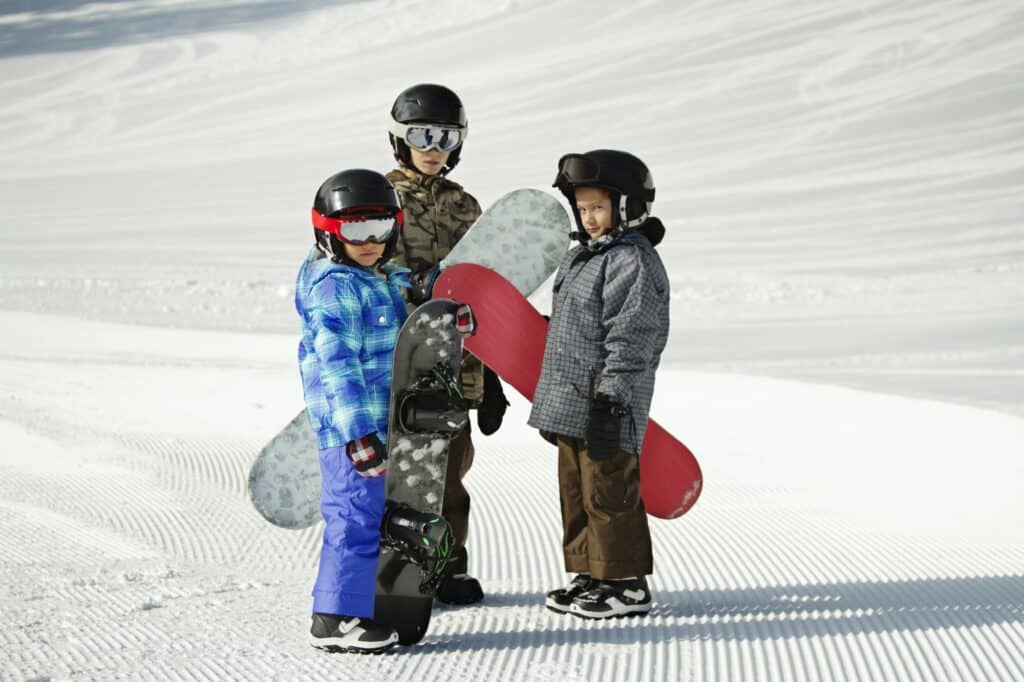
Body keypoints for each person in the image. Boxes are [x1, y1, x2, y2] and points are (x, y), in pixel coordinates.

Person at [528, 149, 670, 619]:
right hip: (572, 404)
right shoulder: (580, 259)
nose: (589, 218)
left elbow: (631, 338)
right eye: (583, 208)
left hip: (608, 403)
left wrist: (612, 401)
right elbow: (570, 329)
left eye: (599, 208)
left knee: (609, 493)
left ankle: (624, 582)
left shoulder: (632, 262)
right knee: (577, 492)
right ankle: (590, 572)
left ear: (626, 207)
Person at [385, 83, 508, 605]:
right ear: (400, 139)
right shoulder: (382, 197)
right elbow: (376, 269)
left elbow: (483, 287)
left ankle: (449, 566)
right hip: (408, 361)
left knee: (452, 475)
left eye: (445, 136)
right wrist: (420, 287)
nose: (433, 147)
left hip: (460, 365)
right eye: (421, 135)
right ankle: (400, 567)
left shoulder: (466, 205)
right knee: (407, 473)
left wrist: (493, 367)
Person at [297, 168, 410, 653]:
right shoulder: (335, 288)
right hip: (352, 433)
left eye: (380, 229)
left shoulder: (373, 278)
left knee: (367, 517)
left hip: (377, 426)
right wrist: (358, 434)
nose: (369, 243)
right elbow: (337, 368)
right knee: (353, 517)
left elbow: (400, 289)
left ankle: (358, 605)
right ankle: (335, 618)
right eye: (355, 231)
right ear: (328, 234)